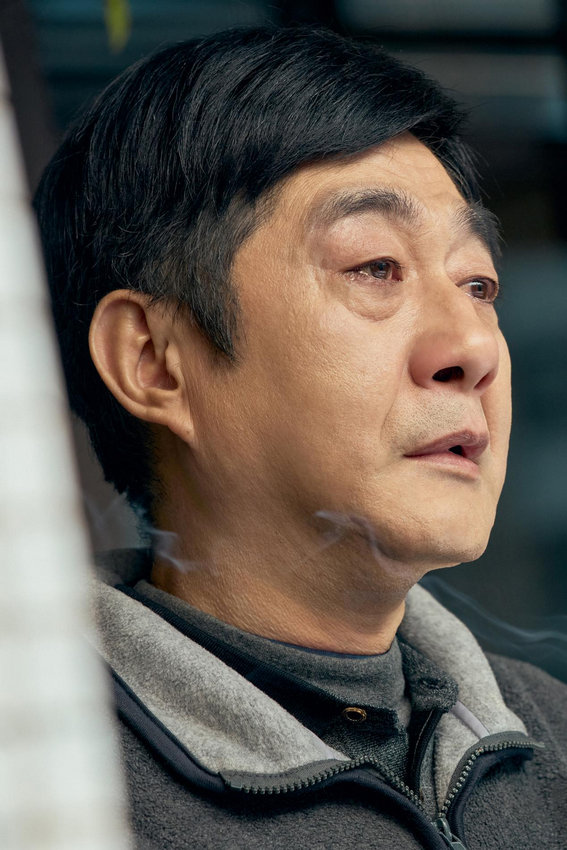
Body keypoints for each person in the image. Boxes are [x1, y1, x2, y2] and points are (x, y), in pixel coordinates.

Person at [34, 27, 567, 850]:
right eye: (374, 267)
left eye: (477, 283)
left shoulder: (548, 737)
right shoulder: (49, 778)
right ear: (154, 363)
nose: (471, 347)